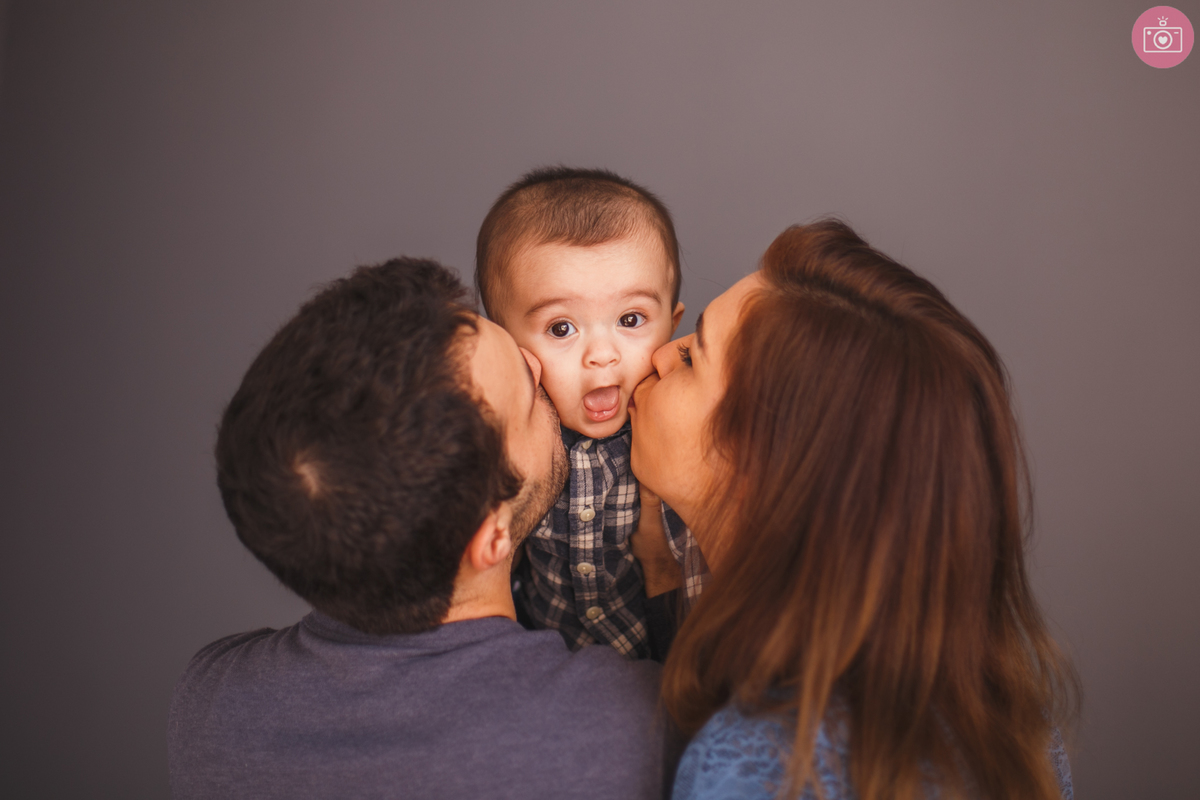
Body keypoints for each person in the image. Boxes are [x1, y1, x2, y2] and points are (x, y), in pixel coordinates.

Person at [168, 258, 669, 799]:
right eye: (526, 392)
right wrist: (664, 570)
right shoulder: (627, 726)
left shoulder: (209, 702)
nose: (538, 362)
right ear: (490, 538)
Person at [629, 220, 1079, 800]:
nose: (661, 355)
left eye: (694, 356)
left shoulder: (761, 763)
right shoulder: (1015, 727)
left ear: (765, 464)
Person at [475, 166, 700, 661]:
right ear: (507, 345)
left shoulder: (677, 439)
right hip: (540, 663)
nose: (602, 355)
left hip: (660, 666)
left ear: (672, 325)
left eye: (631, 319)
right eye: (561, 328)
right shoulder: (514, 445)